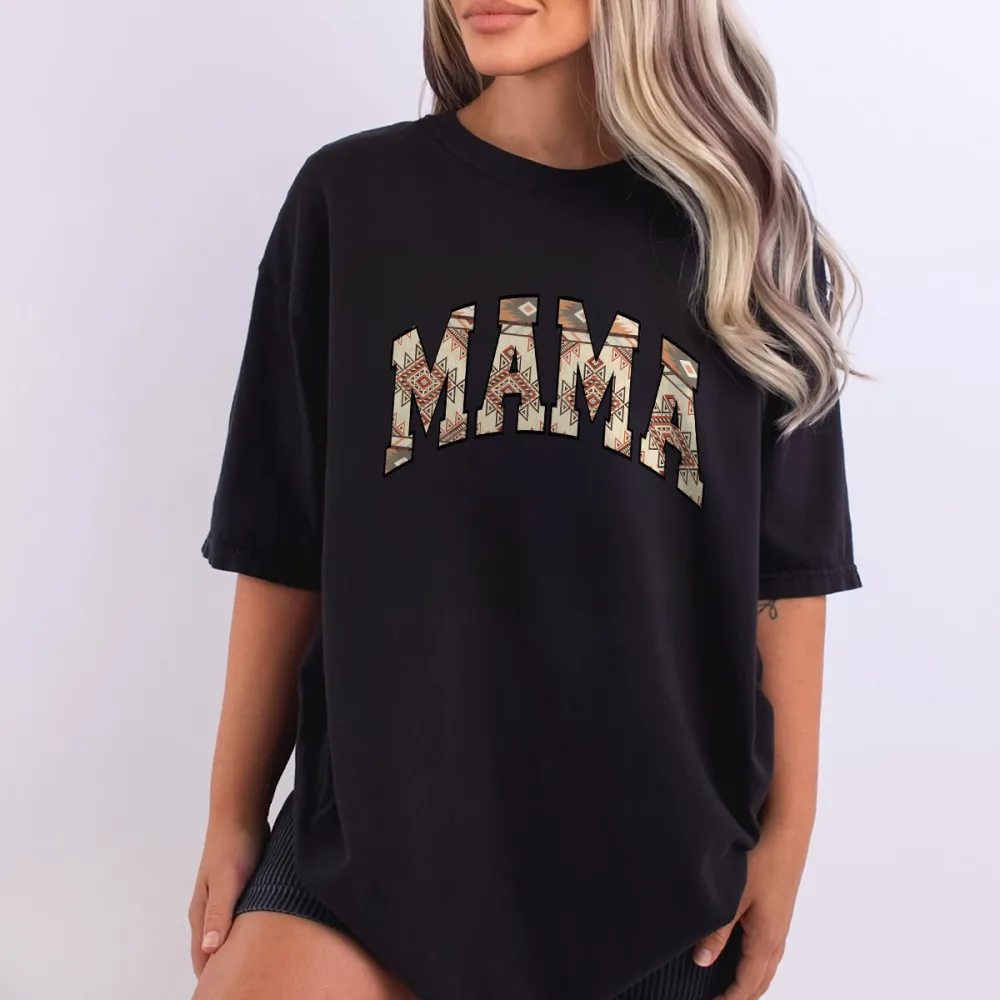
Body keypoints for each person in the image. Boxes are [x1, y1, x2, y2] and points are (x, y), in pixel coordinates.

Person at [189, 1, 863, 998]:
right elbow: (283, 543)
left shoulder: (745, 234)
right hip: (371, 851)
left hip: (656, 882)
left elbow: (786, 575)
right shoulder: (352, 203)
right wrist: (234, 811)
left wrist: (789, 833)